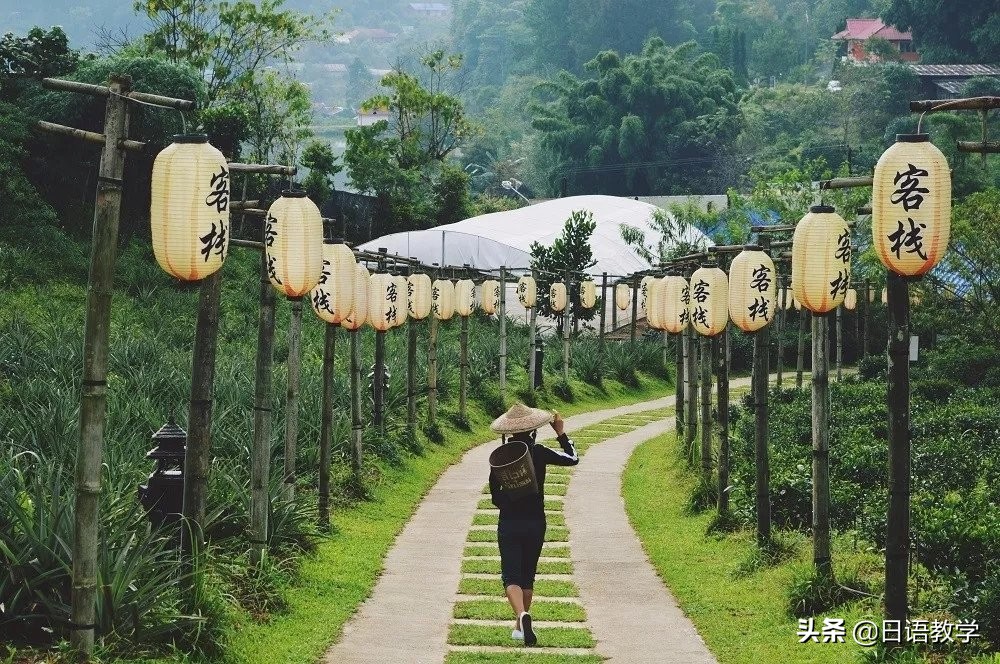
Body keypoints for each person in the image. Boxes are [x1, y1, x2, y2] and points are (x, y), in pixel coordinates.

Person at [489, 403, 579, 647]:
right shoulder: (539, 451)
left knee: (511, 576)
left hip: (509, 523)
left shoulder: (499, 458)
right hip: (536, 522)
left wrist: (511, 500)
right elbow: (572, 459)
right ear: (534, 431)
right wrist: (561, 432)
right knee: (528, 575)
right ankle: (521, 624)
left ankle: (521, 617)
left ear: (509, 433)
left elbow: (496, 497)